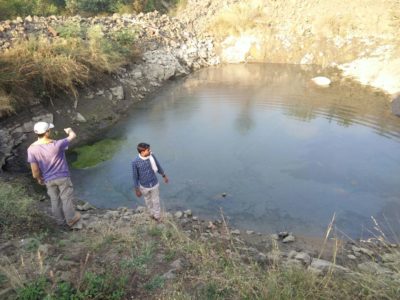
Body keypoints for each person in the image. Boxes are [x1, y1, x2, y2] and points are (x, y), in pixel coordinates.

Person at [27, 121, 81, 229]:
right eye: (49, 130)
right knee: (66, 198)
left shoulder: (31, 149)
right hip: (62, 177)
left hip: (48, 179)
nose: (50, 131)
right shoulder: (57, 144)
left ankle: (60, 222)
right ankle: (71, 220)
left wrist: (39, 179)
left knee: (54, 200)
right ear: (47, 132)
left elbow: (35, 170)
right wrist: (69, 129)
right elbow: (73, 136)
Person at [132, 142, 169, 222]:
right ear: (142, 152)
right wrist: (136, 189)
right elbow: (135, 176)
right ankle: (152, 214)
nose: (150, 151)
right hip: (144, 186)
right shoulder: (135, 162)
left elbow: (158, 166)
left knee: (156, 201)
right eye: (148, 150)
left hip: (154, 184)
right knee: (148, 201)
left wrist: (164, 175)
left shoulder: (152, 156)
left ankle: (157, 216)